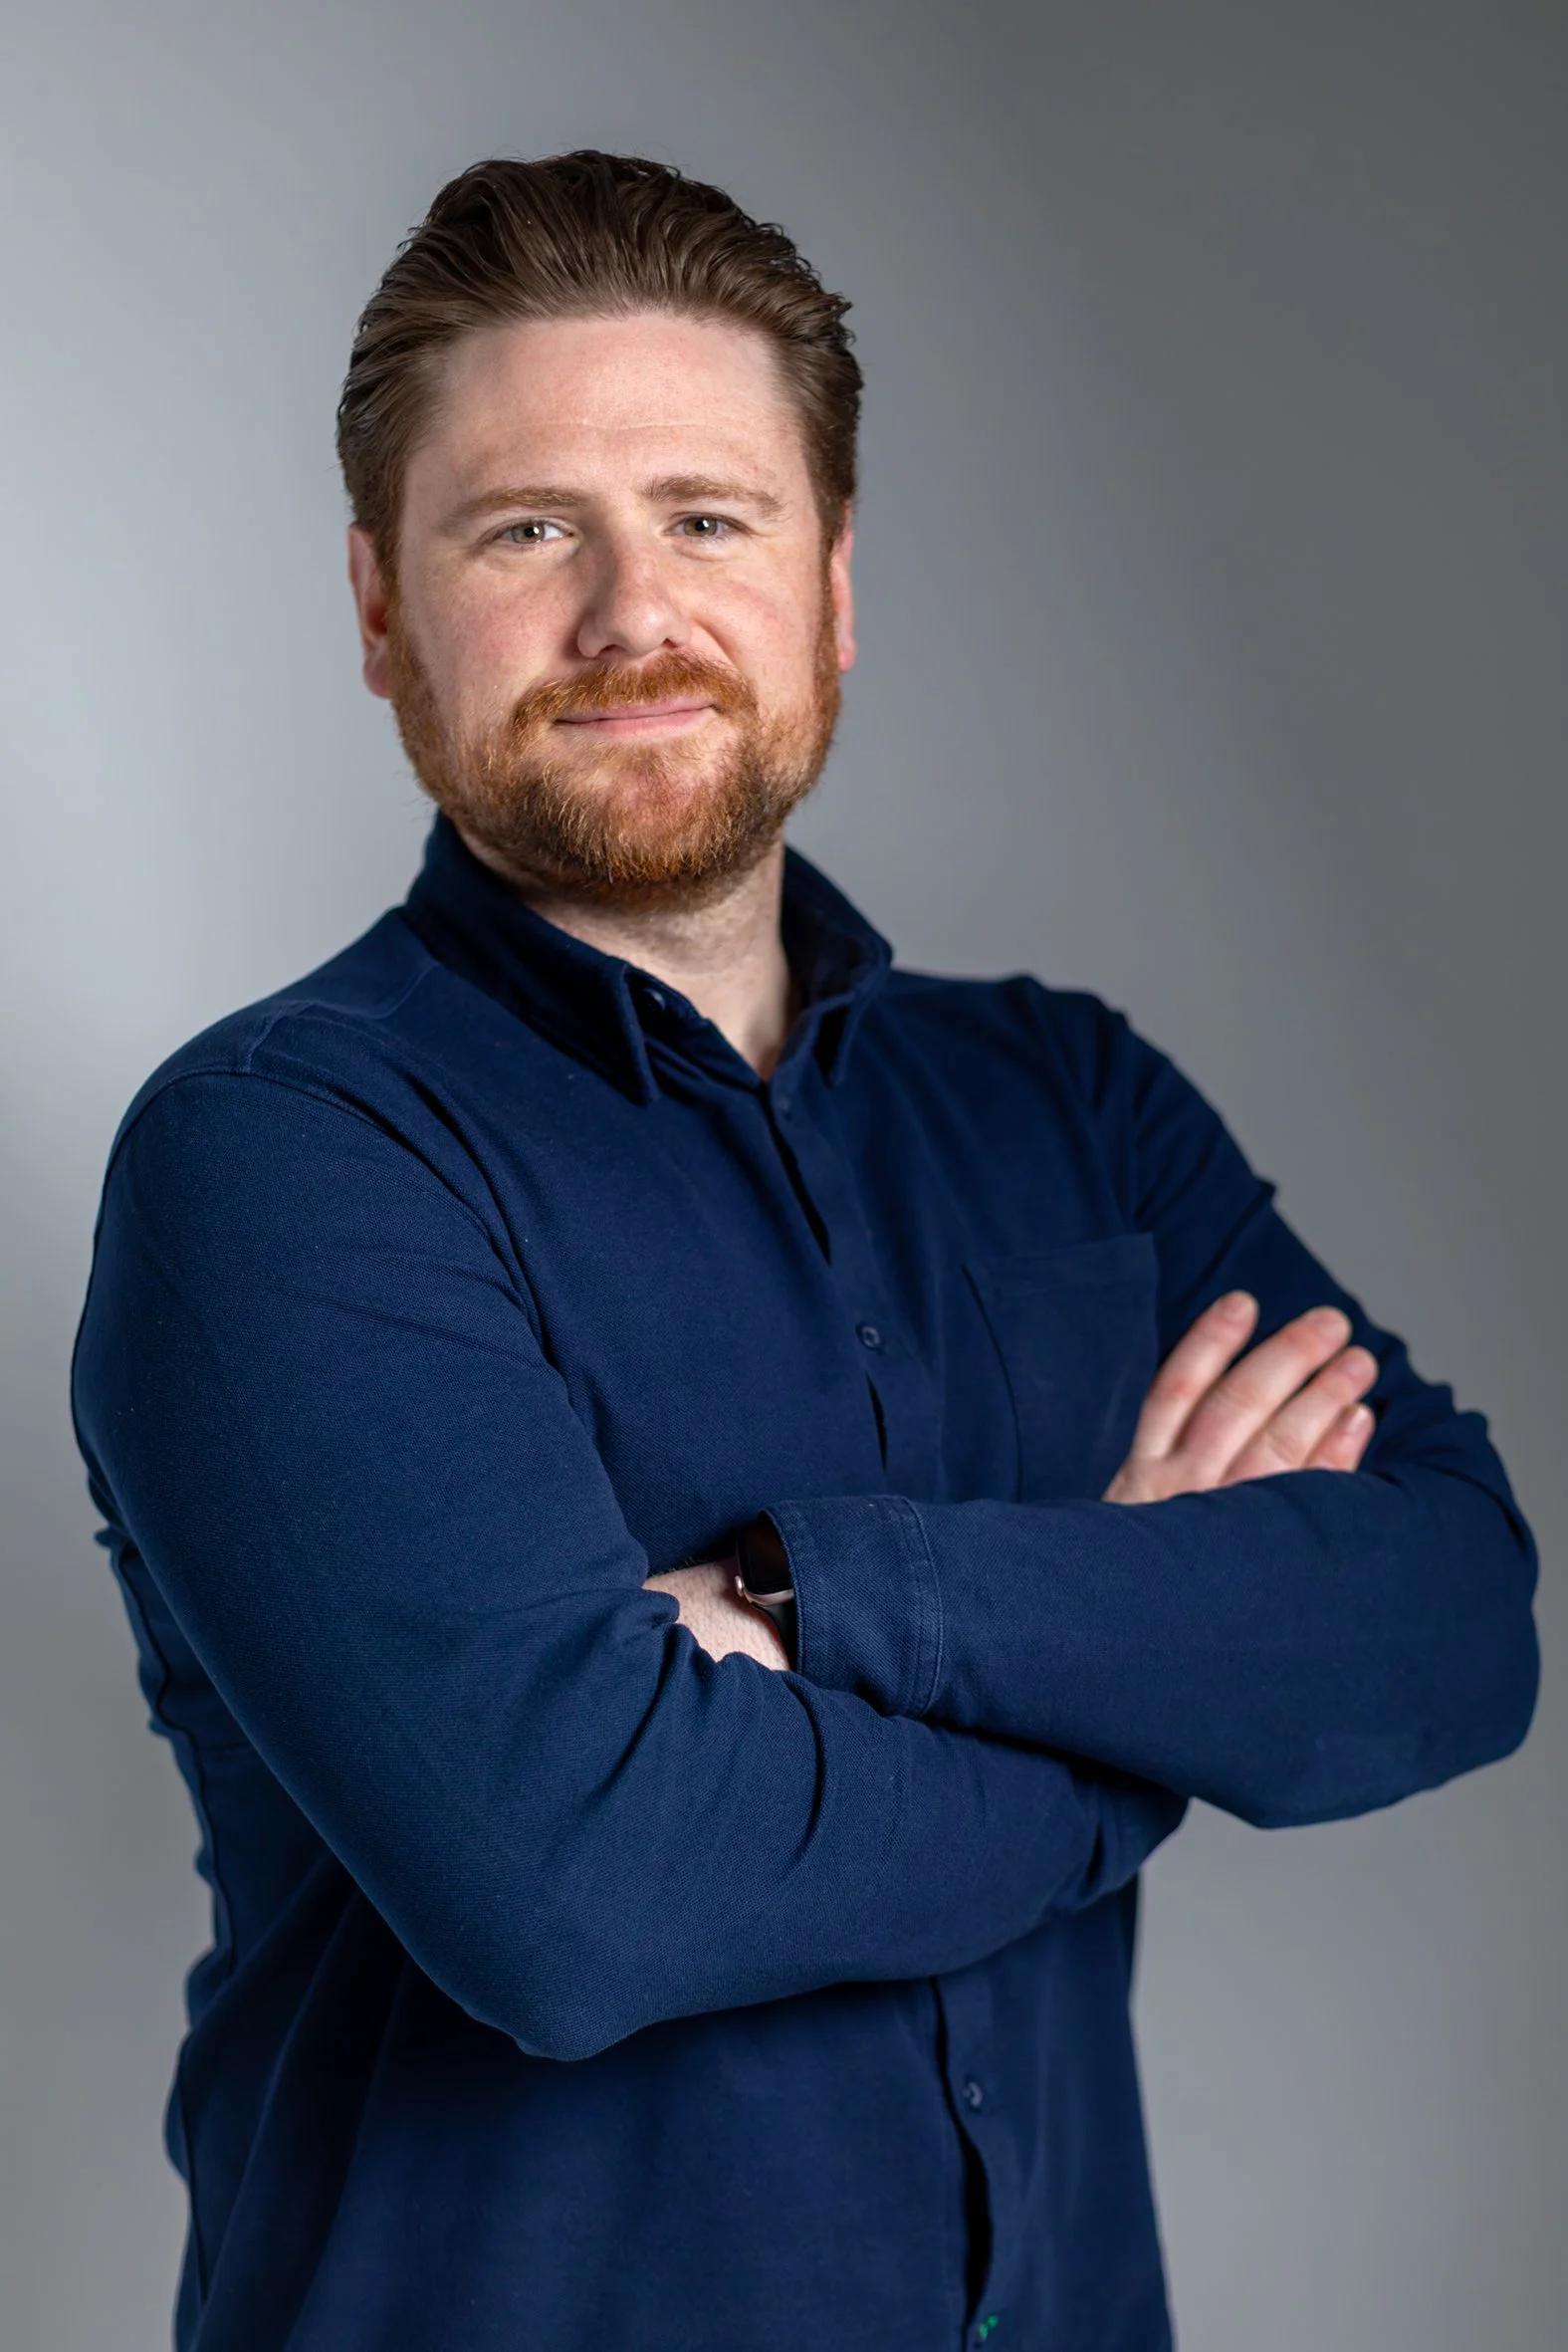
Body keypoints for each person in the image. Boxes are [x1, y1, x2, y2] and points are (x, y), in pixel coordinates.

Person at [71, 151, 1538, 2352]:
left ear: (832, 589)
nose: (628, 613)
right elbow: (574, 1885)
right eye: (526, 527)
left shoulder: (1069, 1099)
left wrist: (813, 1590)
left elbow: (1448, 1615)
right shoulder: (282, 1159)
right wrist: (1150, 1692)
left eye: (708, 516)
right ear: (381, 611)